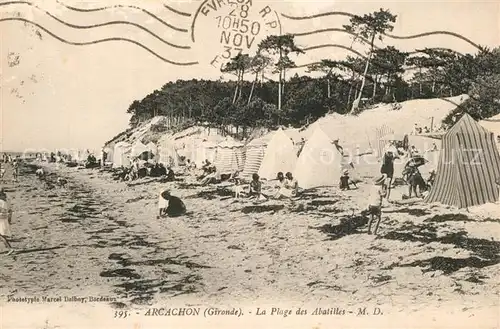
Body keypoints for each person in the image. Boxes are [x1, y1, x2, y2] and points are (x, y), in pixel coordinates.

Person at [0, 189, 14, 255]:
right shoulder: (6, 202)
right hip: (4, 219)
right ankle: (9, 248)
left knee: (2, 236)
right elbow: (10, 212)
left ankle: (10, 248)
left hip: (1, 219)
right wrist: (9, 220)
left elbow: (2, 211)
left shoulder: (1, 202)